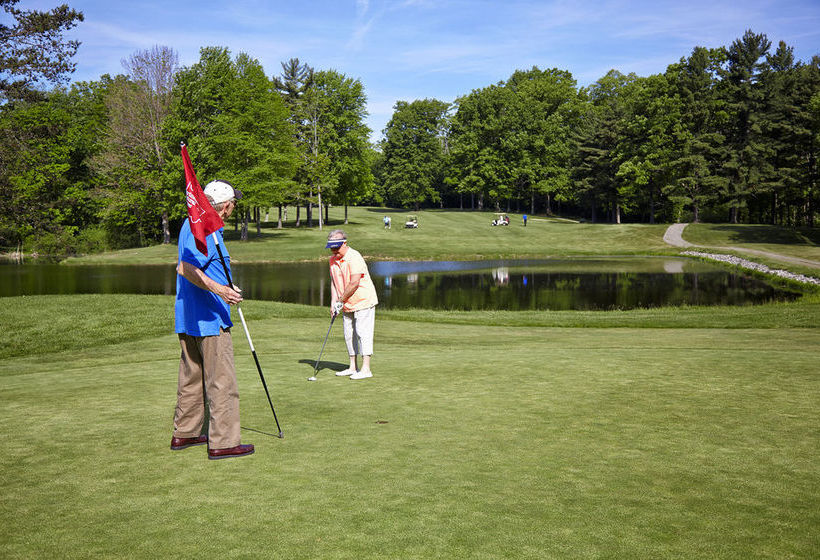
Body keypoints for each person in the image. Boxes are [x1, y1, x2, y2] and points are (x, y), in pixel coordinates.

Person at [171, 180, 254, 460]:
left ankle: (187, 433)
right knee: (221, 381)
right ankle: (224, 442)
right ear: (226, 204)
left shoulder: (190, 223)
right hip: (209, 318)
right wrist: (223, 291)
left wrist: (224, 287)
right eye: (233, 204)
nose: (232, 210)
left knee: (191, 378)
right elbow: (185, 268)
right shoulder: (204, 226)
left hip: (189, 318)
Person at [326, 229, 379, 380]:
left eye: (336, 247)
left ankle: (366, 369)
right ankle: (352, 367)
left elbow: (354, 282)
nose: (334, 250)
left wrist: (340, 301)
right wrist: (333, 303)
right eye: (331, 247)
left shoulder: (354, 257)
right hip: (346, 301)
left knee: (363, 333)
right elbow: (334, 282)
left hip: (363, 299)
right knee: (349, 334)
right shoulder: (332, 260)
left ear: (345, 243)